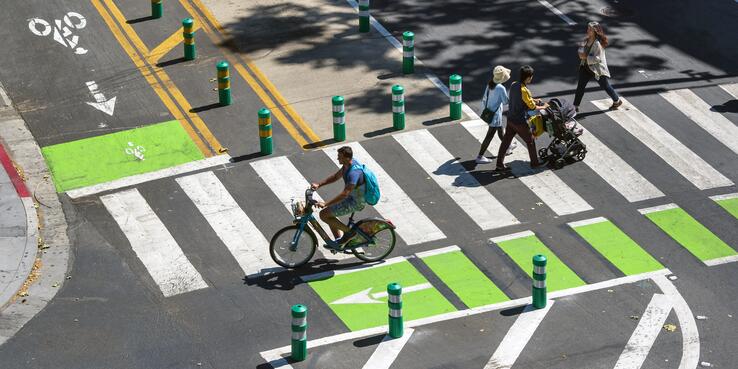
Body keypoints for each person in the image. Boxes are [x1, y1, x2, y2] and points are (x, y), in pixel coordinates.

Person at [311, 146, 367, 245]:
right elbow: (336, 176)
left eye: (340, 157)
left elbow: (345, 193)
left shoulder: (353, 173)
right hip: (351, 198)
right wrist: (319, 184)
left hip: (355, 202)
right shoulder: (348, 165)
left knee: (323, 214)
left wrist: (325, 203)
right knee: (328, 212)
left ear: (347, 158)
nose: (337, 158)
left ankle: (350, 233)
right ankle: (339, 242)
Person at [496, 65, 548, 171]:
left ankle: (499, 164)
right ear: (528, 78)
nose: (531, 79)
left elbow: (521, 99)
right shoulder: (524, 90)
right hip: (520, 122)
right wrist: (544, 106)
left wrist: (534, 99)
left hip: (510, 119)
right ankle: (535, 163)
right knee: (530, 141)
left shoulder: (514, 84)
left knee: (506, 141)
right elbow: (532, 106)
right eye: (531, 77)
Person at [573, 21, 621, 112]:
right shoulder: (585, 40)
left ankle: (617, 100)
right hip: (586, 67)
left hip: (597, 69)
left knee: (605, 85)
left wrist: (585, 57)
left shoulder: (598, 44)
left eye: (590, 29)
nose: (588, 31)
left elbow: (597, 58)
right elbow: (580, 50)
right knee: (580, 86)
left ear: (595, 31)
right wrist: (580, 53)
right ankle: (575, 106)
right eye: (588, 28)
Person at [476, 65, 517, 164]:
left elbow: (485, 98)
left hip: (489, 112)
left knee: (500, 130)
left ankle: (508, 146)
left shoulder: (490, 84)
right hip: (495, 115)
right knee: (489, 135)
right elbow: (505, 101)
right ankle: (479, 156)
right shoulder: (500, 88)